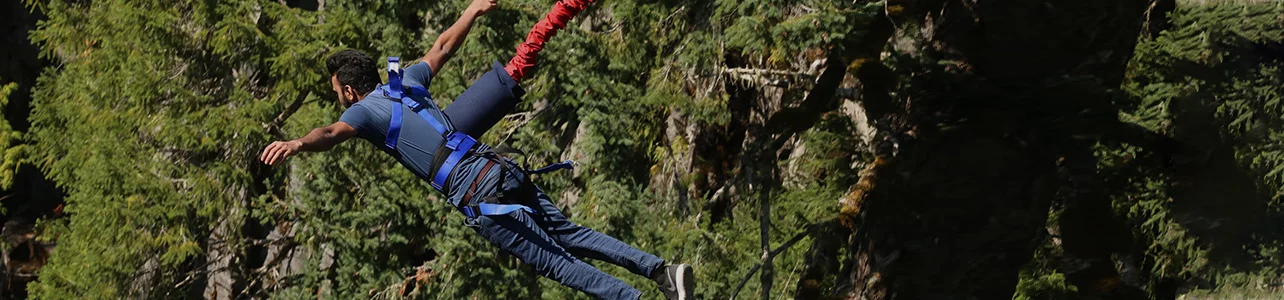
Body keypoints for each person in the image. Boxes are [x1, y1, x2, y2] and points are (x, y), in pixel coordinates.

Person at [257, 0, 695, 299]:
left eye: (337, 92)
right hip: (495, 166)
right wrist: (472, 9)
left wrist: (298, 142)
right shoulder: (405, 81)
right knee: (571, 236)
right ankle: (662, 272)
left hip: (476, 193)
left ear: (350, 90)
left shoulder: (362, 113)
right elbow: (443, 46)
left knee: (558, 264)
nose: (339, 99)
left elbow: (330, 134)